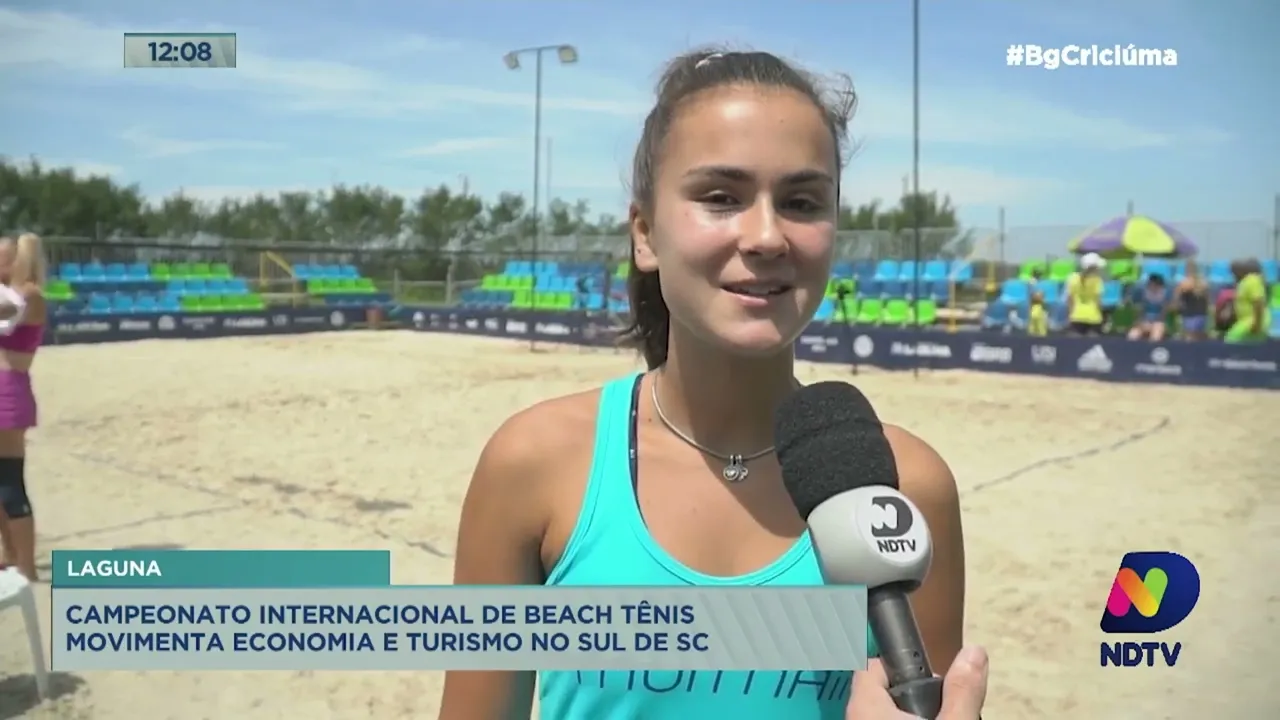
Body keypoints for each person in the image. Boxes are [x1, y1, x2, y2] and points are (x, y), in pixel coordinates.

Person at [438, 48, 977, 720]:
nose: (766, 235)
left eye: (802, 201)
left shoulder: (907, 487)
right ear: (644, 234)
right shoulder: (534, 464)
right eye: (720, 197)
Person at [0, 233, 47, 581]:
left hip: (7, 391)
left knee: (9, 482)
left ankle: (26, 568)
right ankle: (11, 556)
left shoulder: (28, 294)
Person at [1225, 258, 1269, 343]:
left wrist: (1257, 324)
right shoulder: (1244, 282)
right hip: (1246, 322)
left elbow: (1258, 302)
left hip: (1252, 322)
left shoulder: (1252, 280)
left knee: (1231, 341)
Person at [1065, 253, 1105, 336]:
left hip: (1076, 316)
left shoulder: (1072, 278)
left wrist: (1070, 314)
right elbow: (1099, 301)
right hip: (1094, 317)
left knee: (1075, 347)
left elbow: (1070, 299)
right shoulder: (1097, 280)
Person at [1172, 260, 1210, 341]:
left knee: (1195, 336)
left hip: (1198, 315)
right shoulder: (1185, 283)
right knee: (1190, 336)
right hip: (1188, 315)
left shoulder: (1202, 283)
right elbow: (1177, 297)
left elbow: (1206, 296)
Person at [1126, 274, 1170, 342]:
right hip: (1144, 321)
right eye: (1151, 284)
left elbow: (1164, 313)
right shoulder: (1144, 294)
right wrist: (1141, 323)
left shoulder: (1165, 295)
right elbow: (1140, 312)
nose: (1152, 286)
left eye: (1155, 284)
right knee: (1132, 335)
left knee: (1156, 334)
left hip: (1159, 322)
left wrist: (1152, 324)